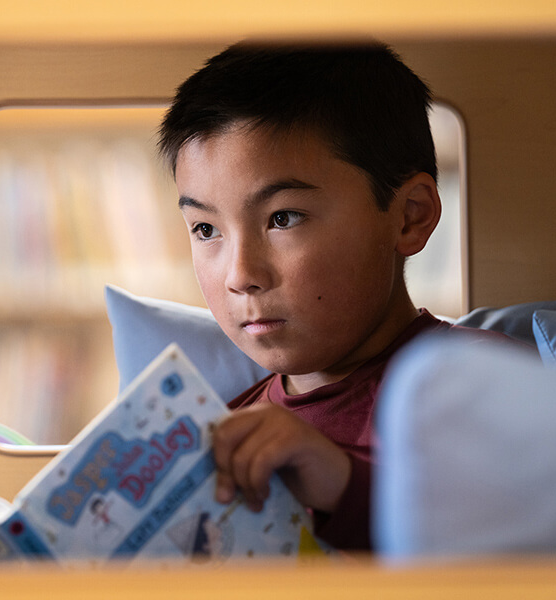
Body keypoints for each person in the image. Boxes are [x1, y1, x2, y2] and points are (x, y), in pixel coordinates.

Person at [157, 41, 519, 551]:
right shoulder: (225, 428)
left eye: (283, 218)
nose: (240, 274)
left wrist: (343, 481)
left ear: (410, 215)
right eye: (205, 229)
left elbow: (525, 534)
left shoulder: (479, 382)